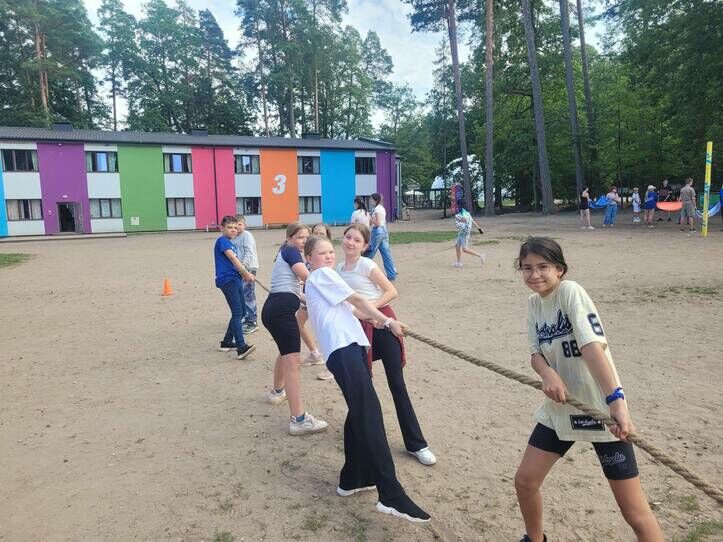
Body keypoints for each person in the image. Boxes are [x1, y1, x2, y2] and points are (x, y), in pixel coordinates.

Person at [513, 237, 663, 542]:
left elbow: (592, 347)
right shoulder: (533, 304)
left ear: (560, 269)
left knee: (634, 512)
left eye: (543, 267)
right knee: (525, 481)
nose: (535, 274)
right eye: (527, 268)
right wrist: (548, 373)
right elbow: (535, 353)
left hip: (600, 410)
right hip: (561, 409)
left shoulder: (571, 292)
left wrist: (616, 402)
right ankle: (535, 539)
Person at [303, 235, 431, 523]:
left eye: (330, 252)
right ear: (308, 259)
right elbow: (358, 299)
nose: (328, 256)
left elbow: (355, 310)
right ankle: (390, 494)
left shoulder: (323, 281)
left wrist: (380, 322)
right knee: (369, 410)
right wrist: (388, 321)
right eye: (321, 253)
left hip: (349, 347)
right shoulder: (321, 276)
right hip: (343, 348)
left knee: (360, 411)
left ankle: (352, 479)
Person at [337, 223, 437, 466]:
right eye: (348, 237)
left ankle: (417, 444)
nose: (351, 242)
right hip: (359, 330)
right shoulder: (338, 269)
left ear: (365, 246)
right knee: (362, 386)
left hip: (384, 325)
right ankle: (361, 436)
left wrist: (371, 309)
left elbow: (392, 291)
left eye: (357, 240)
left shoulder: (366, 265)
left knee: (397, 385)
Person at [261, 222, 329, 436]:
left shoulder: (286, 252)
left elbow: (295, 289)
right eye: (300, 237)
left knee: (286, 354)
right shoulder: (290, 251)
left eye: (306, 237)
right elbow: (307, 277)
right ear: (289, 238)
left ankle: (277, 391)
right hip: (281, 312)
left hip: (275, 309)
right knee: (293, 363)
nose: (304, 241)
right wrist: (333, 291)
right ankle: (299, 419)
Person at [214, 215, 256, 360]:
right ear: (222, 228)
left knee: (242, 311)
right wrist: (245, 273)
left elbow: (235, 261)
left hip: (235, 278)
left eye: (235, 228)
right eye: (229, 227)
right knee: (238, 312)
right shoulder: (222, 241)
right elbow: (232, 258)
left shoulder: (230, 243)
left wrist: (244, 273)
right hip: (228, 280)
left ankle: (226, 342)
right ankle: (241, 347)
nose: (233, 230)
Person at [300, 223, 335, 381]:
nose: (318, 236)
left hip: (320, 298)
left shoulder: (326, 260)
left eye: (322, 234)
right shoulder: (310, 254)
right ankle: (315, 353)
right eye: (315, 233)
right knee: (298, 322)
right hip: (310, 296)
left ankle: (331, 366)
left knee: (327, 330)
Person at [231, 215, 258, 334]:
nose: (237, 227)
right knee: (241, 294)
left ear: (245, 225)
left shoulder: (246, 235)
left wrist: (243, 267)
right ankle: (245, 318)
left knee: (248, 294)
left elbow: (249, 252)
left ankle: (252, 321)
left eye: (240, 224)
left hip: (249, 268)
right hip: (239, 269)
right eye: (235, 225)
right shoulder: (234, 237)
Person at [365, 193, 398, 281]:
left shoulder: (377, 209)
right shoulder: (379, 208)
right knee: (386, 254)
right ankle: (392, 275)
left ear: (375, 200)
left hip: (378, 231)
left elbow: (378, 223)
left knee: (370, 252)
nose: (370, 201)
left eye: (371, 199)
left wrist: (370, 218)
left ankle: (361, 269)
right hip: (383, 231)